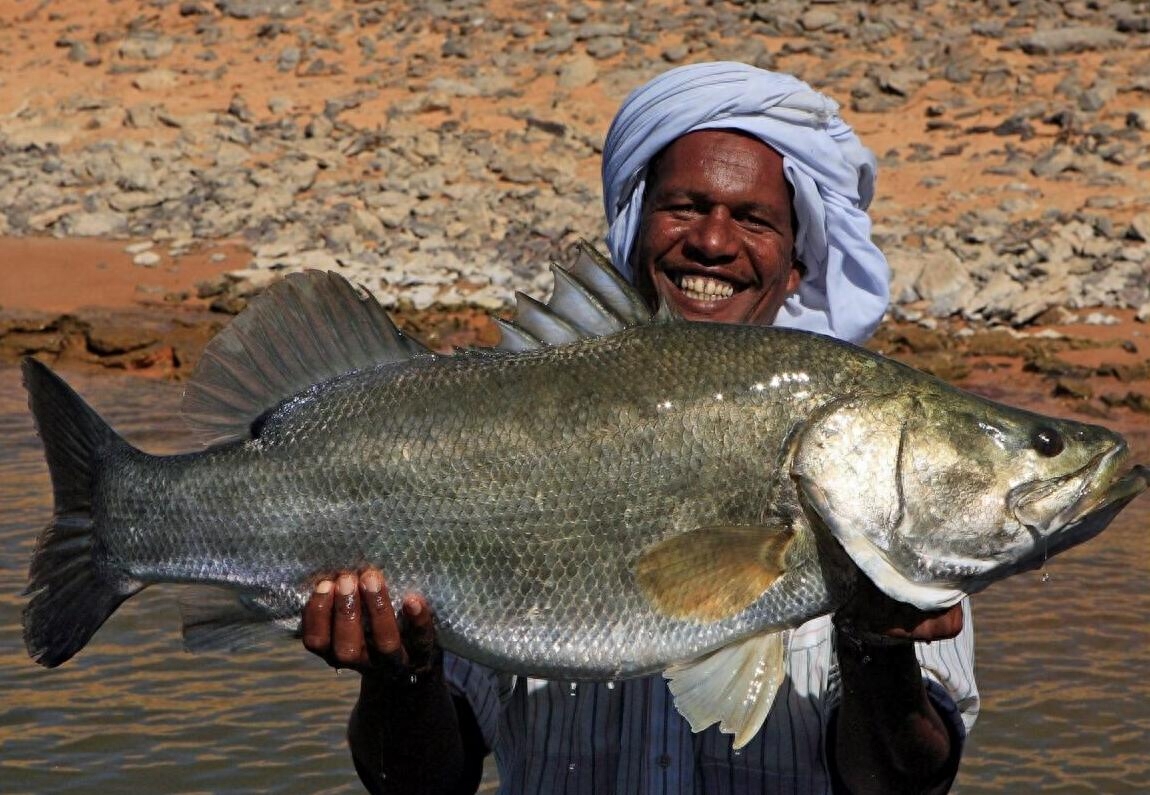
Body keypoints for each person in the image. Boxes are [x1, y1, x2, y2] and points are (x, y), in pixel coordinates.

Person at [301, 62, 979, 794]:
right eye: (685, 207)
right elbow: (425, 782)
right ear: (633, 228)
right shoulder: (503, 436)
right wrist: (402, 674)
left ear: (794, 267)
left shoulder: (872, 464)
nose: (713, 242)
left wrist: (876, 645)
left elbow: (908, 782)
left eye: (752, 219)